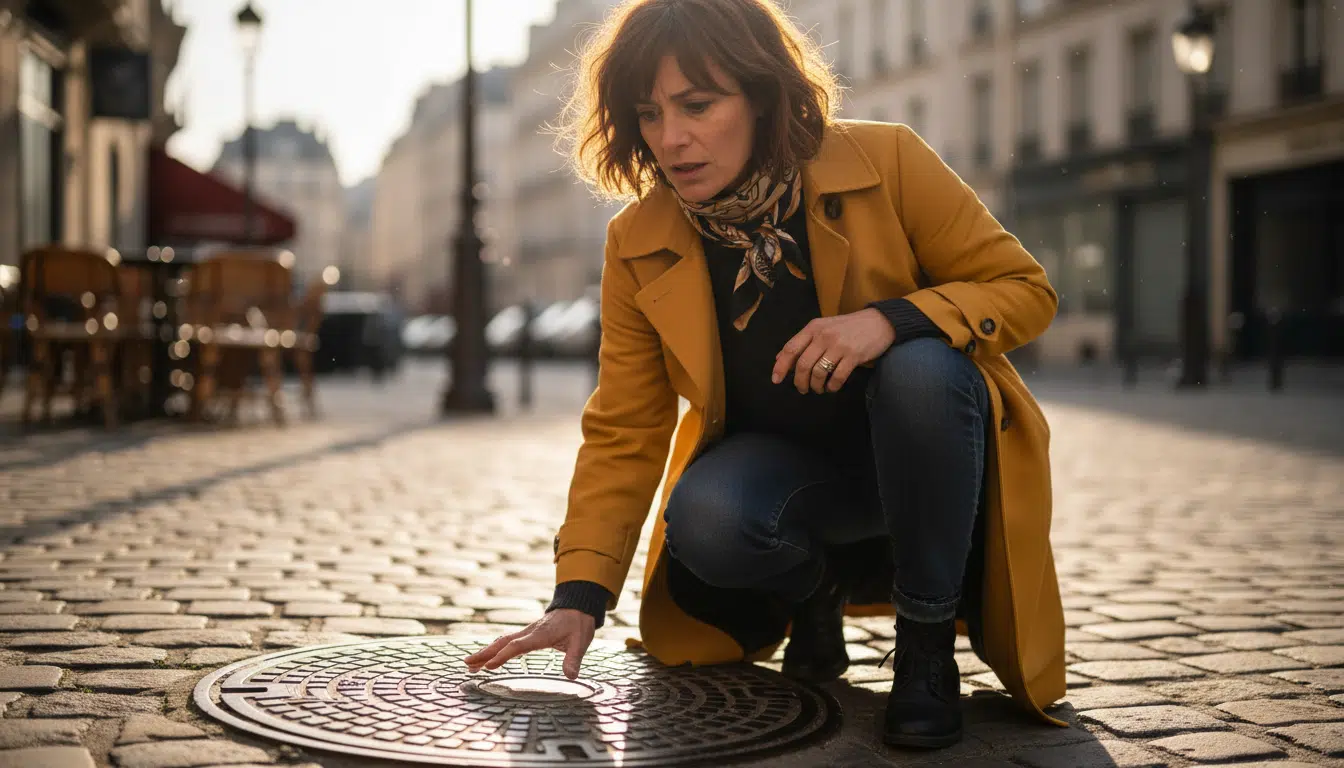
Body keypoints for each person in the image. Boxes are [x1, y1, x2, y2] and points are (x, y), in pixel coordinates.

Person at [465, 0, 1066, 749]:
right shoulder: (638, 239)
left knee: (921, 371)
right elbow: (625, 425)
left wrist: (891, 320)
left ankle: (926, 643)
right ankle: (816, 590)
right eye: (648, 113)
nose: (671, 138)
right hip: (787, 483)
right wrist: (579, 595)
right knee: (708, 518)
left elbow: (1025, 290)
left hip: (930, 467)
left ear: (760, 92)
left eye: (697, 104)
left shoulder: (889, 160)